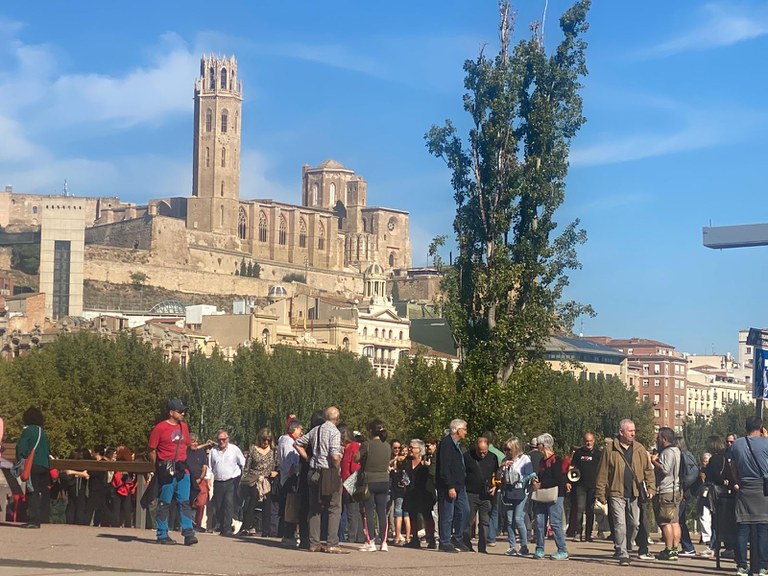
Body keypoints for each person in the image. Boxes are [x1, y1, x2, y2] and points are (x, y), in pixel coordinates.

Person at [595, 418, 656, 566]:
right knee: (619, 524)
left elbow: (648, 470)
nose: (633, 434)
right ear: (621, 432)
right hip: (616, 492)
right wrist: (600, 494)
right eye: (630, 431)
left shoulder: (639, 449)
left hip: (634, 493)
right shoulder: (610, 449)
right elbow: (602, 473)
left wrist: (651, 487)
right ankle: (622, 552)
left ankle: (627, 545)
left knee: (635, 523)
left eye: (634, 431)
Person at [294, 406, 349, 554]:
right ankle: (332, 543)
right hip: (328, 472)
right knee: (334, 507)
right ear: (336, 419)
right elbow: (335, 456)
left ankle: (313, 543)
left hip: (313, 471)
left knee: (314, 508)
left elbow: (297, 443)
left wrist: (308, 457)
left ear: (325, 417)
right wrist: (337, 469)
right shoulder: (334, 432)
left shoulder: (315, 430)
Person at [147, 398, 197, 546]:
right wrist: (158, 465)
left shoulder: (184, 427)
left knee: (185, 501)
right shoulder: (160, 428)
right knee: (165, 502)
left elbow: (186, 444)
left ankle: (188, 532)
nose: (183, 413)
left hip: (182, 468)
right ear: (171, 412)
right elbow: (151, 449)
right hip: (167, 469)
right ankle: (162, 533)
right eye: (180, 411)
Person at [729, 416, 768, 576]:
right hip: (763, 489)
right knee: (763, 528)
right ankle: (763, 566)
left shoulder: (737, 444)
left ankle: (741, 565)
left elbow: (732, 465)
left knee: (742, 527)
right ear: (760, 427)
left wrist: (737, 480)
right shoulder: (766, 443)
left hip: (744, 487)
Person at [355, 418, 392, 552]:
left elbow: (356, 458)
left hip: (369, 480)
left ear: (371, 431)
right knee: (382, 511)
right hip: (384, 480)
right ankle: (383, 542)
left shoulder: (367, 444)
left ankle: (370, 541)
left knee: (368, 511)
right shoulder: (387, 445)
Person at [530, 433, 568, 560]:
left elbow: (558, 479)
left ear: (544, 445)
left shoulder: (557, 460)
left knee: (555, 522)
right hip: (542, 494)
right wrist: (536, 481)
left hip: (556, 494)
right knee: (540, 522)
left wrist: (541, 484)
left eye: (539, 444)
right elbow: (542, 476)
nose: (537, 447)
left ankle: (562, 550)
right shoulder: (542, 461)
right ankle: (539, 548)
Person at [435, 419, 471, 553]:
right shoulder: (446, 444)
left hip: (460, 485)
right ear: (457, 430)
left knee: (465, 511)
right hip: (449, 486)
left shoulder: (457, 445)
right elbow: (444, 467)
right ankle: (444, 541)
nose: (466, 432)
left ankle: (457, 537)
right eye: (464, 429)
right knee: (447, 514)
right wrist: (449, 486)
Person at [462, 436, 499, 553]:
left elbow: (497, 474)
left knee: (485, 522)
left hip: (486, 495)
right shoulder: (467, 456)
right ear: (476, 447)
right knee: (468, 520)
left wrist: (495, 486)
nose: (482, 454)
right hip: (470, 493)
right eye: (480, 452)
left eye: (485, 452)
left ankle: (482, 546)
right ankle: (467, 544)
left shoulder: (493, 457)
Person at [15, 407, 51, 528]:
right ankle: (42, 518)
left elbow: (22, 447)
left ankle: (33, 520)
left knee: (32, 492)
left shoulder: (28, 430)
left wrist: (21, 458)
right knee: (41, 492)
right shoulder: (43, 432)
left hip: (32, 464)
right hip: (44, 465)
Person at [651, 427, 682, 561]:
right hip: (675, 489)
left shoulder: (667, 452)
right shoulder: (677, 451)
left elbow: (665, 470)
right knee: (674, 521)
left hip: (666, 490)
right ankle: (675, 549)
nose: (657, 440)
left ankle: (669, 549)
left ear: (664, 439)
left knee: (665, 522)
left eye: (658, 438)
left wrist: (653, 461)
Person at [239, 428, 277, 536]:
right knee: (253, 499)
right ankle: (246, 527)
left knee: (267, 503)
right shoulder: (253, 449)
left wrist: (275, 472)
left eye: (268, 440)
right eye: (264, 439)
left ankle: (266, 530)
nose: (266, 442)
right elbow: (247, 467)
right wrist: (243, 480)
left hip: (266, 480)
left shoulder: (274, 451)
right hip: (253, 479)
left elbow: (277, 465)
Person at [208, 429, 245, 536]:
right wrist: (208, 479)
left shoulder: (234, 449)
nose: (222, 442)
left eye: (224, 439)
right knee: (219, 505)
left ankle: (227, 528)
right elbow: (210, 467)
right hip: (218, 481)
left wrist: (242, 477)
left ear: (227, 439)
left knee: (229, 503)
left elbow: (243, 463)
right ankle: (221, 524)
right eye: (219, 440)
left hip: (232, 480)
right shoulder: (213, 451)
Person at [501, 436, 533, 556]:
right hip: (508, 491)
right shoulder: (505, 459)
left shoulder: (525, 459)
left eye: (508, 449)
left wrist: (518, 478)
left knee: (518, 519)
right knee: (509, 520)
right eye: (505, 449)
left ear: (515, 448)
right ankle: (512, 546)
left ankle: (524, 546)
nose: (507, 452)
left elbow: (529, 475)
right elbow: (499, 476)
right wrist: (503, 466)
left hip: (520, 492)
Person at [402, 438, 437, 549]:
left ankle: (431, 539)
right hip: (410, 492)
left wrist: (428, 466)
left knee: (427, 515)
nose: (410, 449)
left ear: (419, 449)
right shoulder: (406, 461)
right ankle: (414, 539)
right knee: (412, 515)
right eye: (410, 447)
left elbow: (432, 475)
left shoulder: (427, 460)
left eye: (413, 447)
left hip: (425, 492)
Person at [568, 432, 600, 542]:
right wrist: (569, 481)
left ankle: (588, 534)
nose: (588, 443)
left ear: (594, 441)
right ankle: (578, 532)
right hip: (580, 485)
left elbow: (602, 470)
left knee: (590, 510)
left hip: (593, 486)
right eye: (587, 440)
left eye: (590, 441)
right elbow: (572, 467)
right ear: (584, 441)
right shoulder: (578, 453)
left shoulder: (598, 454)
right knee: (580, 508)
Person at [277, 419, 303, 547]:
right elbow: (290, 460)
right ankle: (288, 535)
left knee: (289, 507)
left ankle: (288, 534)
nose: (301, 432)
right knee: (291, 507)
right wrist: (294, 473)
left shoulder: (283, 440)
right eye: (300, 430)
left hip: (286, 476)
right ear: (294, 429)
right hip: (290, 478)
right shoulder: (288, 441)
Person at [338, 423, 363, 544]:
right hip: (347, 483)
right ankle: (358, 536)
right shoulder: (348, 448)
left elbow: (355, 467)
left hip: (352, 483)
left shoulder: (353, 447)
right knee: (354, 511)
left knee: (353, 512)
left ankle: (353, 536)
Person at [186, 434, 210, 532]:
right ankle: (187, 523)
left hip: (200, 480)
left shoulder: (201, 452)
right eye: (193, 441)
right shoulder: (185, 452)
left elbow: (204, 467)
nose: (196, 443)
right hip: (188, 480)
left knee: (201, 503)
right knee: (187, 503)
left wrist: (201, 477)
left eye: (197, 442)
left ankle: (198, 523)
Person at [111, 445, 137, 528]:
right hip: (126, 487)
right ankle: (128, 525)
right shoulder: (130, 465)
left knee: (116, 508)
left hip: (117, 486)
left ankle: (115, 524)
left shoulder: (116, 464)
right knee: (127, 508)